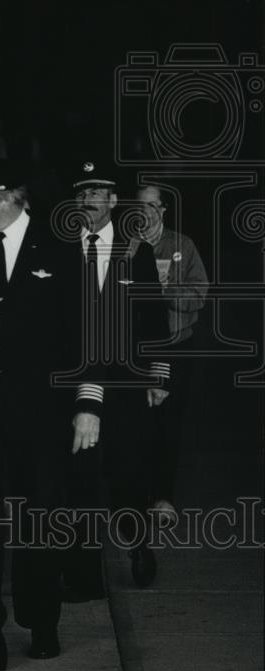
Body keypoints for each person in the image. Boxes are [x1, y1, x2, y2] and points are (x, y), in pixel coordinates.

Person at [0, 157, 97, 671]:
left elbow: (86, 333)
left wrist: (87, 404)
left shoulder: (58, 250)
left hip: (43, 418)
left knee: (40, 522)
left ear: (9, 198)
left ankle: (42, 621)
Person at [63, 160, 170, 590]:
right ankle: (85, 574)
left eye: (97, 193)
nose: (88, 201)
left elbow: (153, 317)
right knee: (80, 476)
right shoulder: (60, 248)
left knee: (126, 472)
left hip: (125, 382)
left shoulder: (134, 249)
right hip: (74, 381)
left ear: (112, 200)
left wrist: (158, 376)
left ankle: (137, 544)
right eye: (82, 192)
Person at [135, 184, 209, 516]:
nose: (145, 212)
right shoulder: (125, 246)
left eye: (153, 205)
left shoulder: (182, 245)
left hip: (177, 347)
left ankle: (162, 497)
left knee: (168, 423)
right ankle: (133, 494)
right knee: (137, 422)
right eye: (140, 205)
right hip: (135, 350)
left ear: (163, 210)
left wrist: (162, 290)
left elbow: (199, 296)